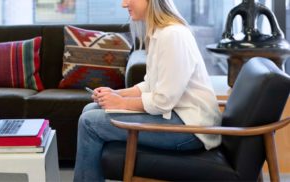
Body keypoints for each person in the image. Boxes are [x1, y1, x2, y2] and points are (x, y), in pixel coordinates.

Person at [73, 0, 222, 181]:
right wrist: (115, 94)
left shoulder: (173, 35)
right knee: (90, 110)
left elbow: (163, 100)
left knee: (90, 122)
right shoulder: (159, 32)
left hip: (192, 130)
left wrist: (121, 103)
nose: (123, 4)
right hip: (177, 118)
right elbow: (150, 84)